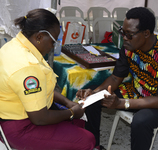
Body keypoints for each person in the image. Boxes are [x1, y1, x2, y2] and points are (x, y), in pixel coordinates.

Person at [76, 7, 158, 150]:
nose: (124, 38)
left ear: (146, 33)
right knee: (91, 101)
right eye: (123, 32)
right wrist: (93, 94)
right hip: (137, 92)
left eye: (129, 34)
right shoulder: (129, 46)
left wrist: (121, 103)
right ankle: (92, 146)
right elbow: (115, 78)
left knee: (141, 121)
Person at [0, 8, 95, 150]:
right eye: (53, 42)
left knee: (77, 124)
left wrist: (66, 102)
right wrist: (71, 113)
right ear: (39, 37)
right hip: (21, 127)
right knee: (87, 140)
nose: (53, 46)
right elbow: (40, 118)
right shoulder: (27, 67)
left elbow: (40, 91)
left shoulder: (14, 46)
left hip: (19, 114)